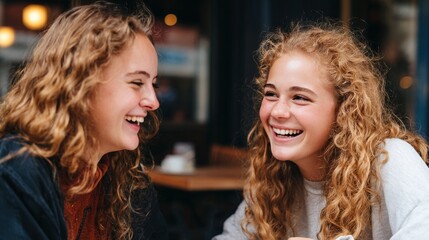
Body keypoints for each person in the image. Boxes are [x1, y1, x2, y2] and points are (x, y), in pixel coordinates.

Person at [213, 21, 429, 240]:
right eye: (271, 94)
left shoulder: (390, 158)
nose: (278, 111)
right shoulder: (273, 178)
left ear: (344, 109)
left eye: (299, 98)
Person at [0, 1, 168, 239]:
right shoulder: (17, 171)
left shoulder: (128, 179)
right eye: (137, 83)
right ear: (80, 84)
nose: (153, 101)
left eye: (154, 84)